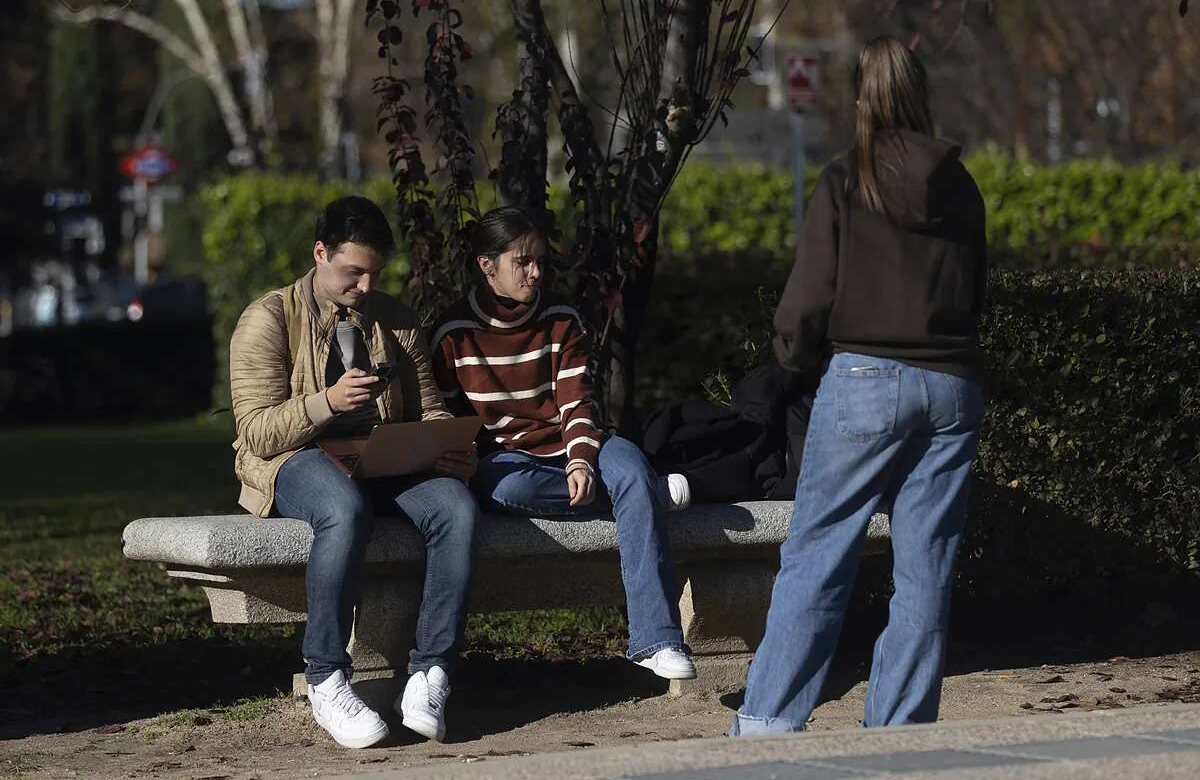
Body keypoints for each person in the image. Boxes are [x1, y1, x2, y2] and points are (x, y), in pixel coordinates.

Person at [731, 36, 988, 735]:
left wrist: (790, 357)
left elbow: (808, 297)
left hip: (867, 377)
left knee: (819, 554)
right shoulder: (960, 186)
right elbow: (975, 289)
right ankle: (901, 732)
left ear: (860, 98)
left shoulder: (849, 179)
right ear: (922, 93)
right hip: (952, 384)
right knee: (925, 569)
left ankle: (768, 727)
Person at [229, 196, 480, 748]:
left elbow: (428, 407)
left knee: (457, 508)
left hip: (382, 455)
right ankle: (325, 675)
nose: (365, 285)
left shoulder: (395, 319)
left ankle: (430, 672)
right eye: (353, 272)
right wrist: (327, 403)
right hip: (293, 459)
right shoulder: (267, 318)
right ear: (320, 254)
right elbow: (257, 434)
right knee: (343, 509)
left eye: (374, 273)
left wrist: (446, 445)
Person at [430, 206, 697, 680]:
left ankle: (656, 640)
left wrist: (580, 461)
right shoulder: (453, 334)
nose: (535, 272)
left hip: (575, 444)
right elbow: (450, 420)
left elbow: (578, 401)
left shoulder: (561, 319)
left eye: (539, 261)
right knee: (506, 490)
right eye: (522, 262)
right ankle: (648, 500)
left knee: (630, 468)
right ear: (486, 265)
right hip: (508, 460)